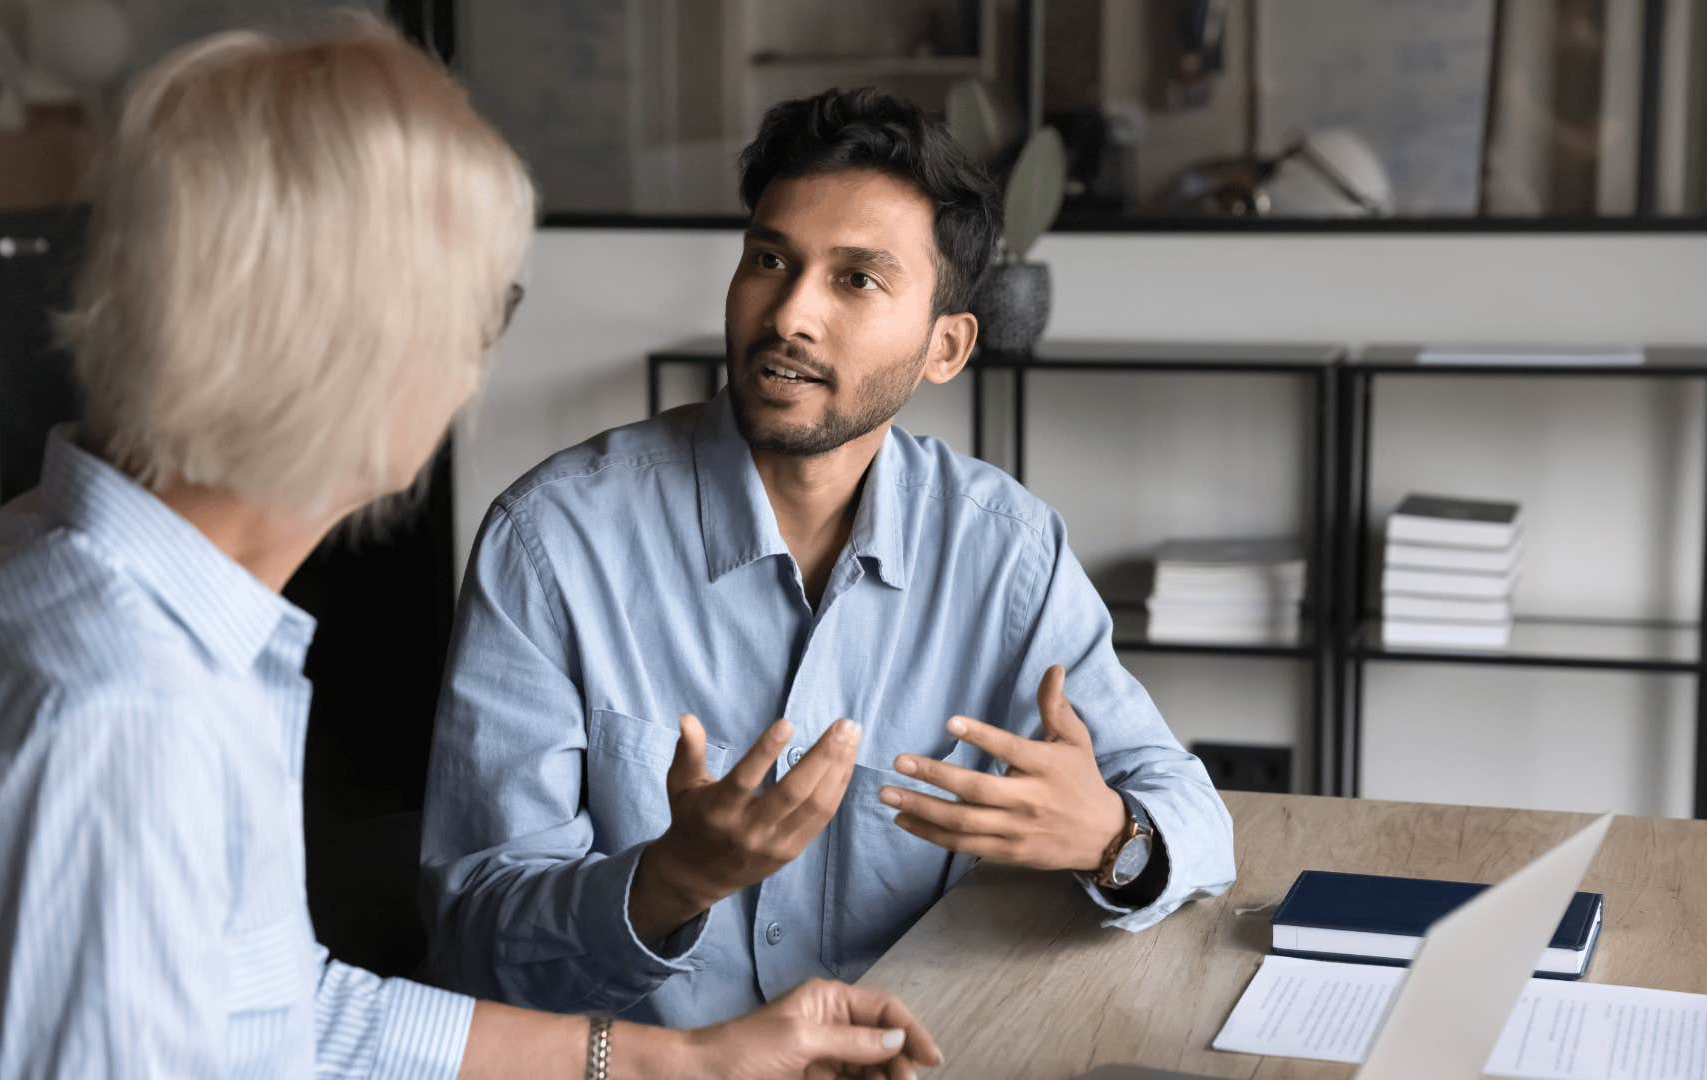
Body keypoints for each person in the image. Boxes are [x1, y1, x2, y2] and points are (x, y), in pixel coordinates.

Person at [0, 22, 941, 1079]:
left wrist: (683, 1060)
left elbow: (276, 1006)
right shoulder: (125, 717)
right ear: (365, 351)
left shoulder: (48, 559)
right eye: (484, 312)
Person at [420, 87, 1237, 1029]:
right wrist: (667, 882)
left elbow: (1190, 813)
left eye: (856, 280)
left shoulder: (1003, 549)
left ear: (946, 346)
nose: (790, 315)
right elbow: (470, 938)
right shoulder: (551, 541)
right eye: (769, 259)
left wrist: (1110, 838)